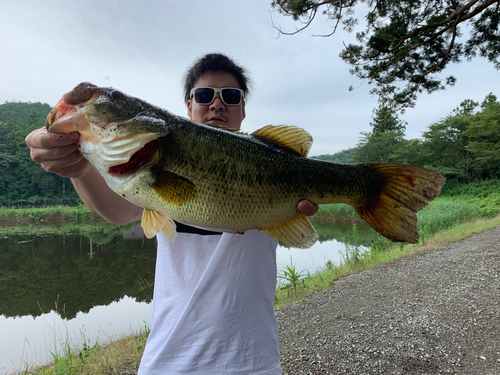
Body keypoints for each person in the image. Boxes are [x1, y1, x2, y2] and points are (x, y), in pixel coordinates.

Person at [26, 53, 318, 374]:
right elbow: (118, 212)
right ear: (189, 107)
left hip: (252, 362)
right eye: (205, 96)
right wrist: (79, 169)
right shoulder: (154, 165)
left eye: (230, 96)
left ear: (243, 108)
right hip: (169, 362)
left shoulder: (270, 162)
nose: (217, 104)